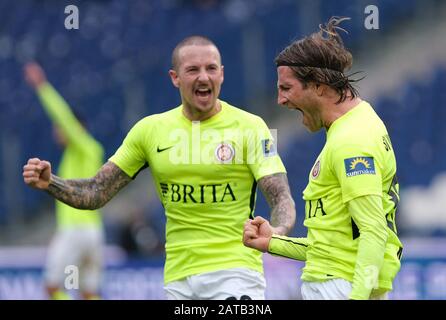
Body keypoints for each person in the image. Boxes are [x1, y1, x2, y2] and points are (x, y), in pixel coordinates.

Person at [23, 36, 296, 300]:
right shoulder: (149, 131)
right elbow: (96, 191)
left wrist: (279, 231)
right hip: (178, 278)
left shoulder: (252, 126)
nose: (203, 77)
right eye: (192, 70)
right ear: (175, 77)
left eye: (211, 68)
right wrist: (51, 183)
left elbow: (280, 194)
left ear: (222, 74)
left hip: (236, 273)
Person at [243, 17, 403, 300]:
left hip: (341, 288)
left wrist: (357, 297)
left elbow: (373, 231)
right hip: (342, 282)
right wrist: (272, 242)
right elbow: (333, 245)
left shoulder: (352, 141)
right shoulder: (356, 125)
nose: (280, 100)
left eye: (286, 88)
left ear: (318, 86)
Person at [23, 62, 105, 300]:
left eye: (60, 127)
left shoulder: (84, 145)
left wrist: (42, 86)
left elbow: (64, 117)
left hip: (75, 230)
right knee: (89, 293)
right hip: (93, 231)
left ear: (76, 127)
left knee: (52, 287)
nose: (57, 131)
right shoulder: (82, 153)